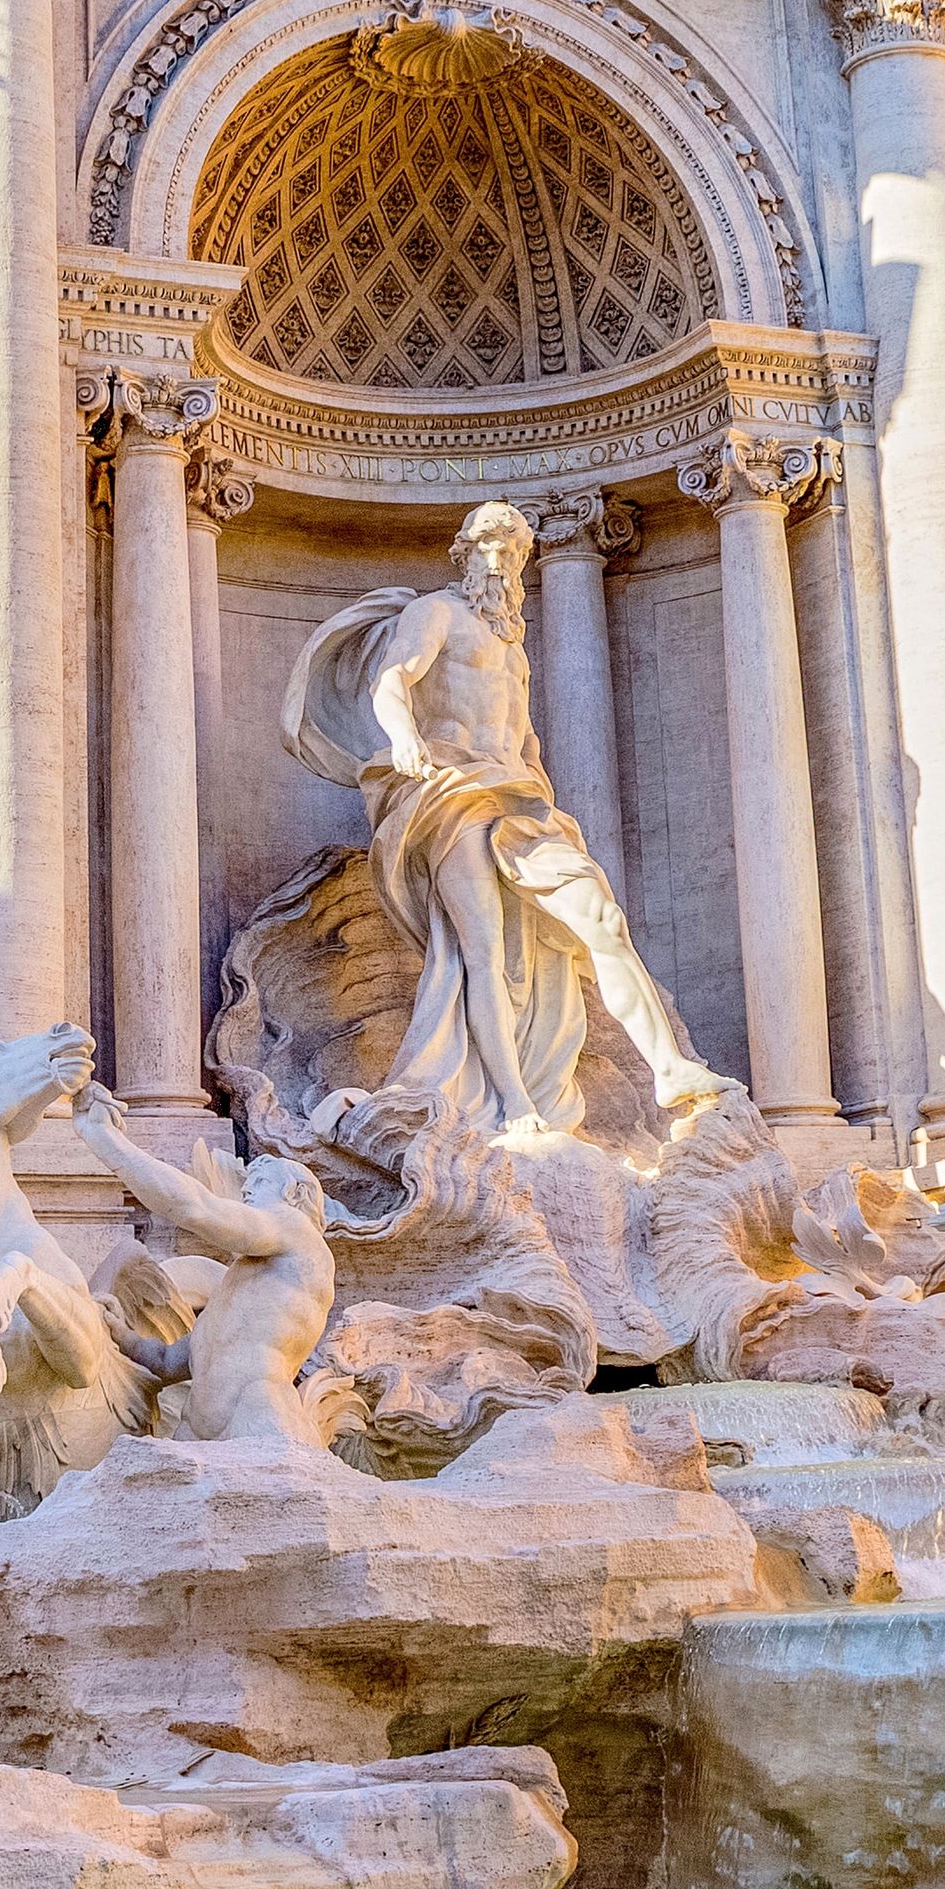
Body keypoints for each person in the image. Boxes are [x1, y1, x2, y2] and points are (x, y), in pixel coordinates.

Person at [279, 498, 727, 1153]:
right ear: (465, 553)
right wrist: (404, 738)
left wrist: (545, 801)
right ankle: (514, 1105)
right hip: (451, 792)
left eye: (514, 549)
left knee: (601, 919)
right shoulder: (435, 612)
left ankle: (669, 1069)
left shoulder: (511, 644)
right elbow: (392, 681)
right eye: (491, 545)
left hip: (519, 802)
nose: (503, 558)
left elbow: (523, 739)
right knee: (481, 952)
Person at [75, 1084, 337, 1447]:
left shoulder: (298, 1232)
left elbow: (194, 1208)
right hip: (197, 1432)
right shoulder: (246, 1284)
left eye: (258, 1183)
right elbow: (169, 1362)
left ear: (292, 1194)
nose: (245, 1192)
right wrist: (124, 1336)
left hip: (260, 1418)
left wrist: (106, 1141)